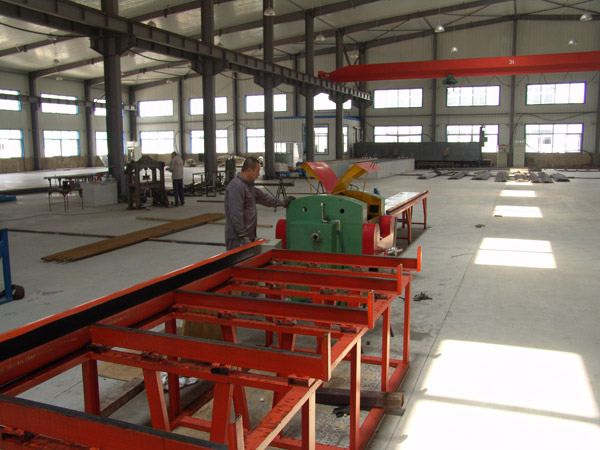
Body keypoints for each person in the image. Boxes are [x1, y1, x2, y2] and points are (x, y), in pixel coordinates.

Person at [225, 156, 294, 251]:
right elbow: (236, 213)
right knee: (236, 259)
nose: (258, 175)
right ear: (249, 170)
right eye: (257, 171)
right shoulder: (236, 186)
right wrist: (242, 235)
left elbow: (264, 198)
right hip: (237, 237)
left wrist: (282, 203)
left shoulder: (248, 186)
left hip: (248, 235)